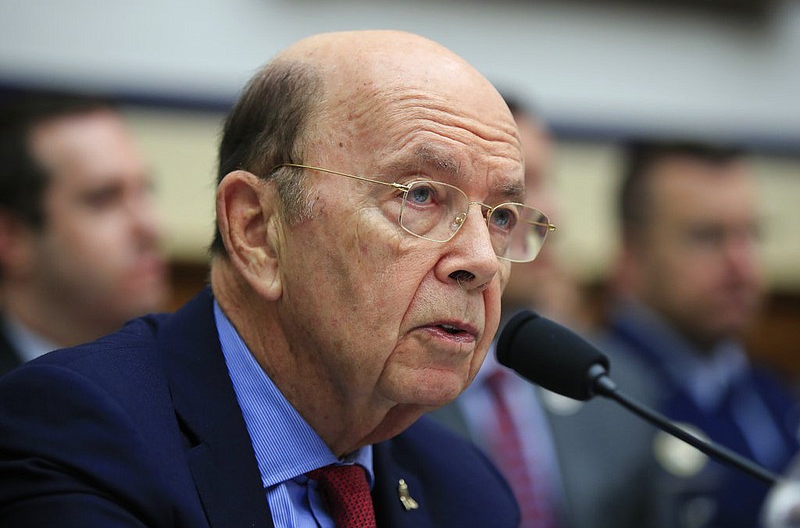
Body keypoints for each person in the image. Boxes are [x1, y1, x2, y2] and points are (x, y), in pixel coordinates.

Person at [0, 30, 559, 526]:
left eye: (502, 216)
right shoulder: (78, 434)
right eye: (419, 196)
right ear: (258, 231)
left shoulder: (467, 490)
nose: (483, 260)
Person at [430, 97, 658, 528]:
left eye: (546, 183)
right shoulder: (394, 380)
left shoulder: (612, 383)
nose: (554, 212)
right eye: (521, 190)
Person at [601, 140, 800, 528]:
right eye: (707, 237)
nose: (742, 265)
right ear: (631, 254)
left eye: (752, 235)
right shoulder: (595, 393)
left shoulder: (771, 392)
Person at [0, 92, 170, 375]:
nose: (150, 227)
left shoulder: (183, 372)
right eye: (104, 199)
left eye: (144, 191)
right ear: (12, 237)